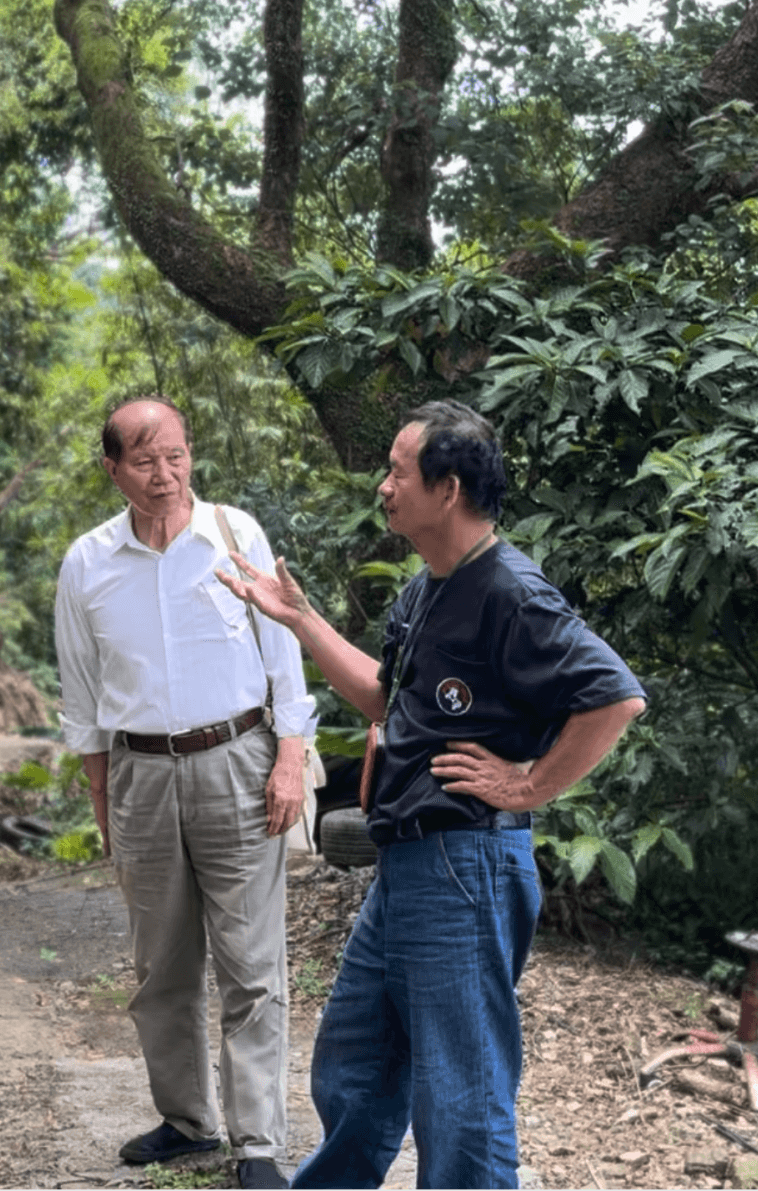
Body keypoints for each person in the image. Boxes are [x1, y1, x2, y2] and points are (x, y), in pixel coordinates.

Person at [216, 400, 646, 1189]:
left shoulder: (511, 591)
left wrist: (528, 784)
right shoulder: (427, 590)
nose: (383, 486)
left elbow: (615, 697)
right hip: (409, 866)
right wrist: (302, 620)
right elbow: (387, 701)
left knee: (461, 1090)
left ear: (446, 489)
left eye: (398, 471)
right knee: (354, 1061)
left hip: (466, 865)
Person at [54, 396, 316, 1191]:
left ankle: (258, 1143)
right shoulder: (86, 564)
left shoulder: (235, 536)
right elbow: (82, 704)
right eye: (144, 461)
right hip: (138, 772)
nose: (165, 475)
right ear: (111, 470)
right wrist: (106, 810)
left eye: (176, 455)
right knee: (159, 963)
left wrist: (290, 760)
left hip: (237, 758)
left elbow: (287, 656)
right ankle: (186, 1120)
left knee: (252, 961)